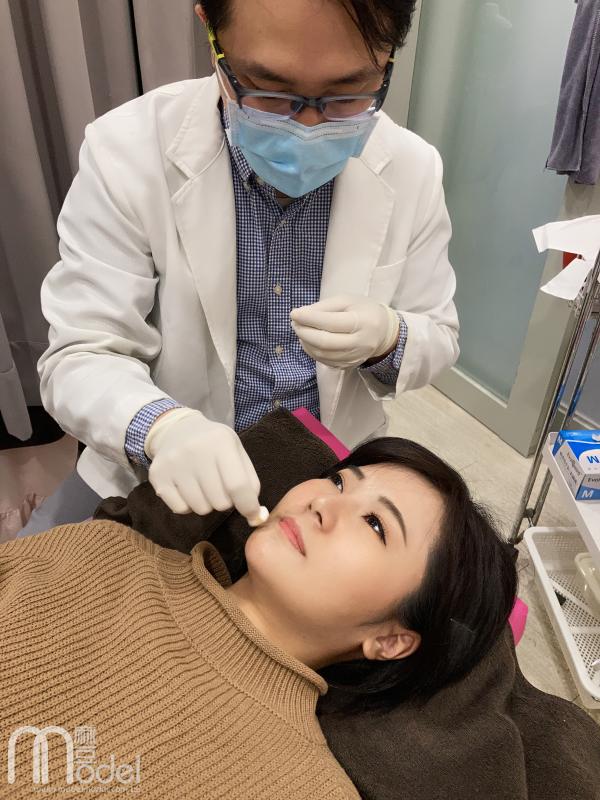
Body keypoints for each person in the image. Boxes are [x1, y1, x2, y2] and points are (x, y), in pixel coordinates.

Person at [18, 0, 459, 537]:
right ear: (211, 33)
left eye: (347, 94)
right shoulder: (127, 151)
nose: (309, 125)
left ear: (388, 59)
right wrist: (162, 428)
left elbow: (439, 335)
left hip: (324, 477)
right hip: (156, 479)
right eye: (270, 92)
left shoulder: (413, 168)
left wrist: (390, 338)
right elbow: (80, 355)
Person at [2, 438, 517, 797]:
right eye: (338, 481)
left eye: (376, 524)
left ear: (391, 640)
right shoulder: (101, 550)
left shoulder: (309, 789)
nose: (321, 502)